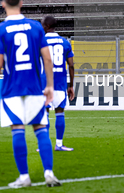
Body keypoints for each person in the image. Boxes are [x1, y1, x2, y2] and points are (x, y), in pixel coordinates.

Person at [0, 0, 61, 188]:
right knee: (41, 130)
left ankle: (24, 177)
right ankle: (49, 173)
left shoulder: (0, 30)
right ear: (21, 3)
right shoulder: (36, 27)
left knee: (17, 130)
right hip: (35, 88)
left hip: (11, 90)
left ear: (3, 5)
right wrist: (50, 86)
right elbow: (47, 58)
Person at [42, 16, 75, 151]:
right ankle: (59, 144)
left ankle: (44, 145)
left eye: (43, 25)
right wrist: (71, 85)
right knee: (59, 113)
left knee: (44, 114)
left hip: (44, 83)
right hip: (60, 84)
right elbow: (71, 65)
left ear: (47, 26)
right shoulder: (65, 42)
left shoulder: (41, 41)